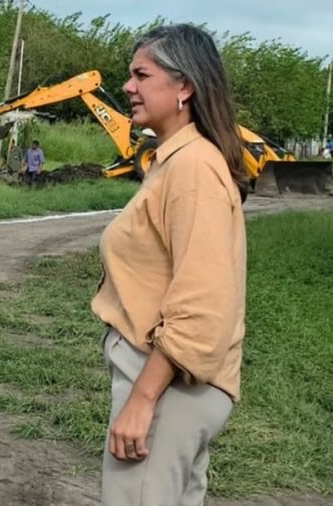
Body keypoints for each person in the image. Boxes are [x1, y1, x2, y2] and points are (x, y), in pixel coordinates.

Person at [90, 24, 248, 505]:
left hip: (167, 387)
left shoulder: (193, 168)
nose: (127, 87)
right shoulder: (175, 160)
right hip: (174, 386)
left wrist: (143, 400)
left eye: (142, 75)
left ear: (185, 86)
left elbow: (202, 305)